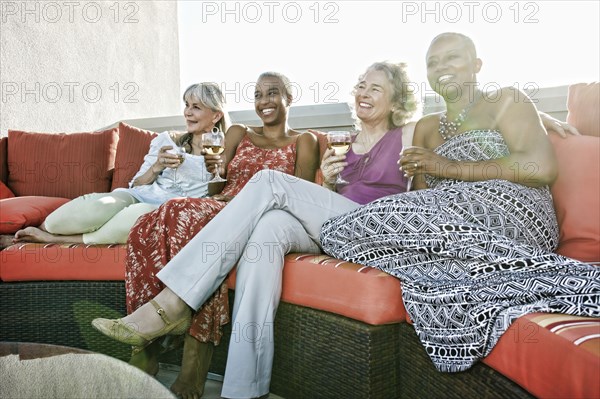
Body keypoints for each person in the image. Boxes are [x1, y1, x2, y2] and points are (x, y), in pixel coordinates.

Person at [92, 60, 581, 398]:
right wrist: (332, 177)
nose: (362, 93)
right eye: (359, 85)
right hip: (334, 223)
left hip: (374, 232)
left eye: (375, 87)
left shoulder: (411, 133)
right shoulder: (342, 143)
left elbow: (462, 132)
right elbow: (325, 196)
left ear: (397, 100)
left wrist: (534, 112)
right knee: (267, 231)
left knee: (267, 186)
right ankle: (243, 386)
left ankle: (175, 301)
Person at [319, 32, 600, 372]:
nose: (442, 67)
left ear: (477, 64)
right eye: (433, 63)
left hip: (516, 213)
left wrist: (450, 167)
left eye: (452, 57)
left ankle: (557, 276)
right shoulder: (424, 128)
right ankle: (490, 272)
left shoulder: (507, 99)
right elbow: (424, 199)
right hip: (452, 220)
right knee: (342, 233)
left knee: (351, 225)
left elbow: (540, 167)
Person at [119, 71, 320, 398]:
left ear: (289, 97)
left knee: (183, 215)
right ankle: (147, 348)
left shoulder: (305, 141)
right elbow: (216, 185)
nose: (263, 101)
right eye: (257, 95)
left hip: (261, 216)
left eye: (272, 93)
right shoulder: (239, 132)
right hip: (221, 204)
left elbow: (301, 198)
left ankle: (194, 360)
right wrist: (215, 165)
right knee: (146, 224)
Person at [0, 83, 229, 248]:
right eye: (187, 105)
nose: (188, 112)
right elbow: (137, 183)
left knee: (138, 215)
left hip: (167, 209)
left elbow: (214, 196)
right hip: (139, 194)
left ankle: (56, 240)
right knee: (100, 205)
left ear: (216, 115)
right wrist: (157, 166)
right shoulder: (167, 140)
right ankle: (39, 232)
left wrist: (215, 170)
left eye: (196, 107)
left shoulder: (226, 149)